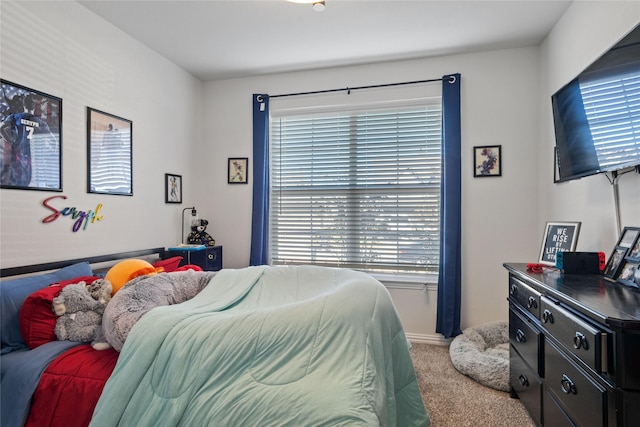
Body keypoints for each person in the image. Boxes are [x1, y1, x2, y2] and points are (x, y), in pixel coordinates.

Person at [0, 93, 56, 186]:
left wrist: (10, 140)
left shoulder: (15, 117)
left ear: (23, 105)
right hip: (32, 157)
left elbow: (1, 128)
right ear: (34, 107)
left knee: (16, 181)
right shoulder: (41, 122)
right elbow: (53, 141)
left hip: (17, 154)